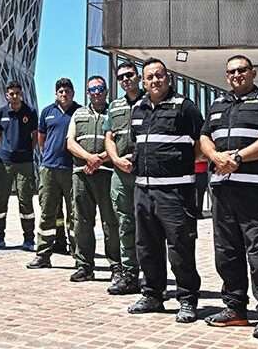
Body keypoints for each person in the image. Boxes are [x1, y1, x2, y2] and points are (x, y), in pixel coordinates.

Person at [199, 55, 258, 340]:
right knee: (227, 252)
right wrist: (214, 156)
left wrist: (238, 158)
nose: (236, 75)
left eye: (241, 70)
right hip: (223, 190)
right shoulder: (218, 105)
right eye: (231, 72)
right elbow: (204, 137)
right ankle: (235, 308)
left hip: (256, 191)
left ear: (252, 73)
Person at [126, 58, 204, 324]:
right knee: (146, 247)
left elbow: (201, 142)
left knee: (180, 248)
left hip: (175, 191)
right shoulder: (138, 108)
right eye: (149, 77)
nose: (155, 81)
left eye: (159, 75)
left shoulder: (184, 107)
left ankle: (187, 299)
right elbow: (136, 144)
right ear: (144, 82)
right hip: (143, 191)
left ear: (168, 78)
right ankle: (153, 295)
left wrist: (179, 168)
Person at [65, 76, 119, 282]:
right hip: (81, 175)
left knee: (111, 222)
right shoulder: (78, 113)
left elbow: (119, 141)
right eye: (92, 89)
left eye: (100, 88)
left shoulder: (114, 112)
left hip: (106, 174)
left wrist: (100, 160)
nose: (96, 92)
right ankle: (84, 266)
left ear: (105, 90)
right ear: (87, 92)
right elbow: (70, 142)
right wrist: (88, 158)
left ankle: (116, 266)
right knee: (82, 222)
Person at [26, 78, 79, 269]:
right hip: (49, 169)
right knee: (47, 212)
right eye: (61, 91)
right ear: (56, 94)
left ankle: (79, 256)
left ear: (73, 93)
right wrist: (48, 158)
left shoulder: (79, 112)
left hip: (72, 170)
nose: (64, 94)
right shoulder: (47, 112)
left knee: (75, 214)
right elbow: (42, 140)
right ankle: (43, 254)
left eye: (67, 91)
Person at [103, 62, 143, 295]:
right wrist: (116, 159)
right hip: (120, 171)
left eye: (129, 75)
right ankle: (129, 274)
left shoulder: (149, 102)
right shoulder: (114, 106)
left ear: (137, 76)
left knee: (148, 225)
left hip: (143, 171)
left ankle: (150, 275)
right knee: (124, 223)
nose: (125, 80)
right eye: (121, 77)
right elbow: (109, 136)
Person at [0, 80, 37, 251]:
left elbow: (34, 136)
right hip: (5, 162)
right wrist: (5, 150)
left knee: (25, 201)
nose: (15, 96)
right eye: (11, 94)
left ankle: (29, 239)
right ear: (7, 95)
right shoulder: (1, 112)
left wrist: (26, 151)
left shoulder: (30, 112)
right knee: (1, 200)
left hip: (24, 162)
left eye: (17, 93)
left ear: (21, 94)